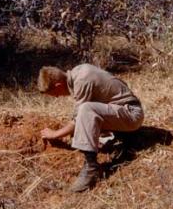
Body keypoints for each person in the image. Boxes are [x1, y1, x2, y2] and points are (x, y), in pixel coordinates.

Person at [38, 63, 144, 192]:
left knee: (86, 109)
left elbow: (78, 119)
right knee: (84, 114)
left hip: (132, 115)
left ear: (58, 85)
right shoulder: (78, 72)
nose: (57, 97)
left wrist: (55, 134)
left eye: (55, 94)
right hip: (122, 112)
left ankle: (91, 167)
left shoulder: (82, 80)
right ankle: (125, 137)